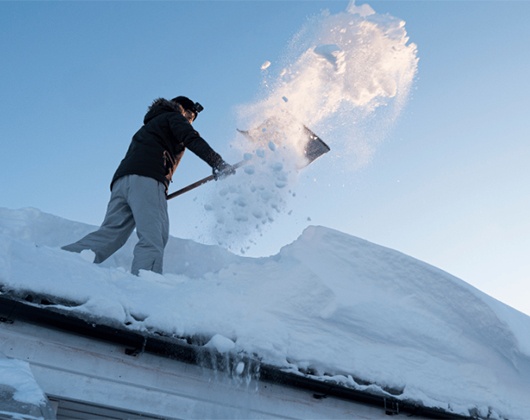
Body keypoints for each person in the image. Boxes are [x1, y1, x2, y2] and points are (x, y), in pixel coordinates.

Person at [62, 96, 234, 275]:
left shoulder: (149, 126)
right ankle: (145, 286)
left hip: (122, 181)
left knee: (110, 235)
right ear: (181, 108)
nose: (190, 120)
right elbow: (191, 138)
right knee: (154, 236)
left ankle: (58, 262)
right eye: (190, 115)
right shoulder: (173, 118)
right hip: (147, 179)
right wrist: (217, 163)